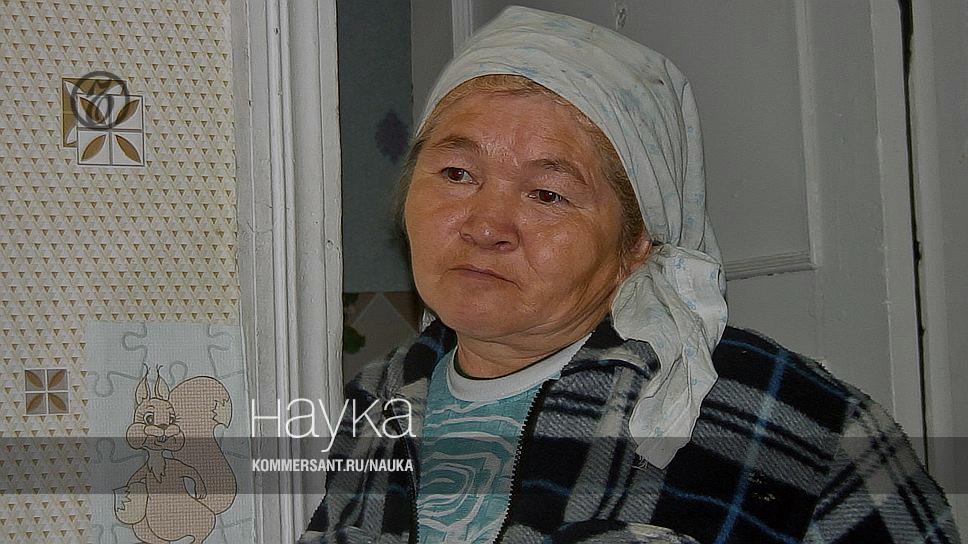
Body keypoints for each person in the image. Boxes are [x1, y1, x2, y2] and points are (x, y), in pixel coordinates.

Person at [301, 6, 959, 543]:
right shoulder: (376, 402)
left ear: (638, 240)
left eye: (547, 194)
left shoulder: (792, 421)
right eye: (455, 173)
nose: (485, 224)